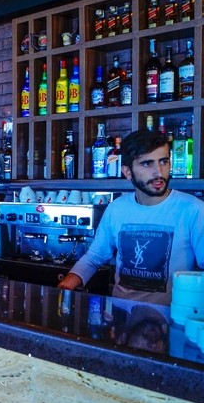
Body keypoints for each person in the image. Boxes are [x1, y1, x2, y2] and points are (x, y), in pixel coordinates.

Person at [58, 129, 204, 305]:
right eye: (147, 164)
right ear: (127, 172)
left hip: (169, 318)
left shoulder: (193, 209)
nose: (159, 172)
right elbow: (94, 258)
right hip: (121, 316)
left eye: (164, 162)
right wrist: (64, 288)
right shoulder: (117, 208)